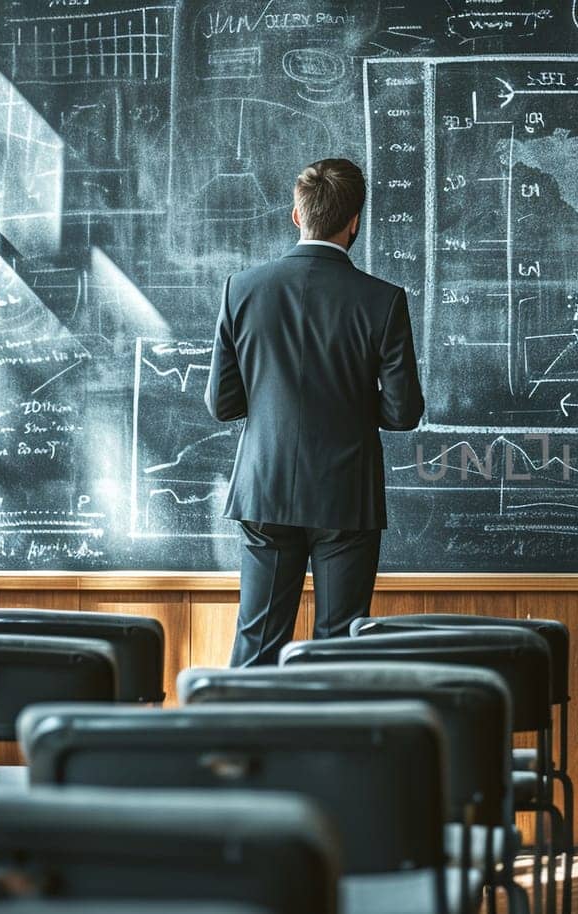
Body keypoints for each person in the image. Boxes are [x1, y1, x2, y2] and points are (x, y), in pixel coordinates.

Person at [205, 157, 423, 667]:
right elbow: (402, 412)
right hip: (346, 495)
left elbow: (222, 404)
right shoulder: (383, 300)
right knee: (340, 650)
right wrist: (346, 397)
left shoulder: (242, 288)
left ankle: (244, 747)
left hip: (265, 488)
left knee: (257, 645)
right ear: (354, 222)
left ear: (297, 216)